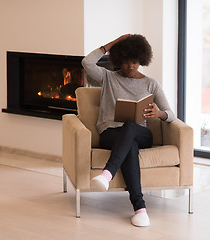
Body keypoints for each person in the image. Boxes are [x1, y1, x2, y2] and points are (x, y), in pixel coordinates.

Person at [81, 34, 175, 227]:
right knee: (129, 146)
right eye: (126, 62)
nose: (131, 67)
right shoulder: (107, 77)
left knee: (131, 126)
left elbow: (171, 114)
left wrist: (159, 114)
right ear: (118, 60)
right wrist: (114, 43)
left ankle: (107, 173)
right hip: (110, 134)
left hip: (141, 134)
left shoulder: (151, 84)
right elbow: (87, 62)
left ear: (142, 60)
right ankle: (140, 209)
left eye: (135, 62)